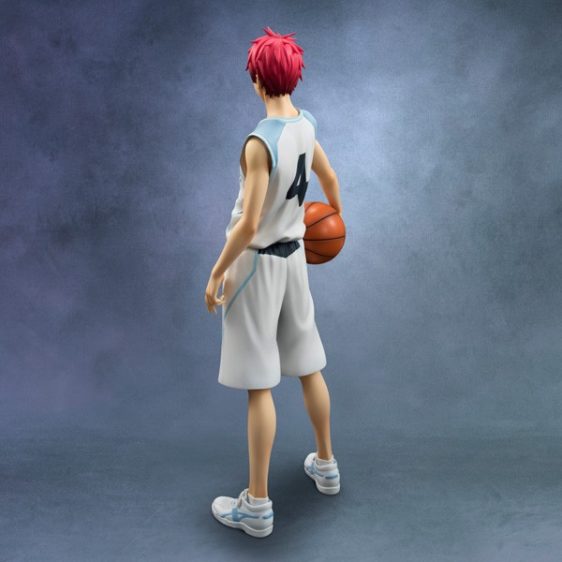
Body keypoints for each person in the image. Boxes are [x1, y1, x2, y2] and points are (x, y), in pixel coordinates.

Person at [204, 26, 343, 538]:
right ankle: (326, 465)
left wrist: (217, 271)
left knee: (260, 385)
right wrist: (337, 218)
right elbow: (330, 179)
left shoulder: (259, 143)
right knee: (308, 367)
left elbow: (248, 224)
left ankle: (257, 506)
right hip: (296, 259)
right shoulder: (307, 123)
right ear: (294, 77)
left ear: (257, 80)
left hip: (258, 266)